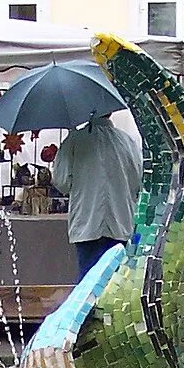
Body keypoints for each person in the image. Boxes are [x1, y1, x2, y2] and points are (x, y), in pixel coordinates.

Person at [50, 112, 141, 276]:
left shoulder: (75, 140)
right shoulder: (128, 142)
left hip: (87, 224)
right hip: (121, 224)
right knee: (116, 287)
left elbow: (61, 182)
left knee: (88, 286)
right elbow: (137, 183)